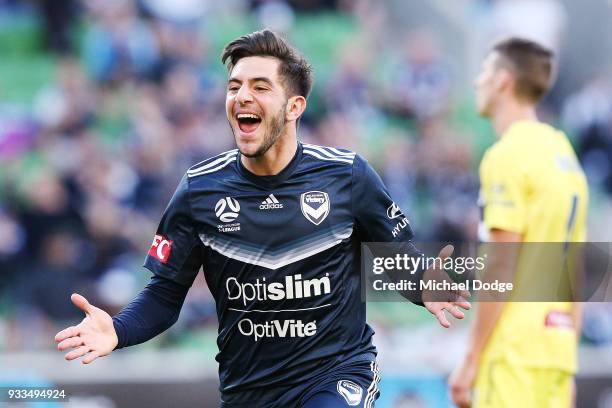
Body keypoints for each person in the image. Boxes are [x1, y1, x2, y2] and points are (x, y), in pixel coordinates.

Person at [55, 29, 469, 407]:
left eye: (259, 86)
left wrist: (422, 286)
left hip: (337, 376)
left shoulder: (347, 176)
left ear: (294, 107)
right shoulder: (200, 190)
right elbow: (165, 295)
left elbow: (396, 257)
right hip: (248, 390)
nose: (242, 96)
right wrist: (119, 330)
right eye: (234, 87)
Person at [449, 38, 588, 408]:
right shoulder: (564, 155)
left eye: (484, 73)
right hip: (556, 347)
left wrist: (471, 358)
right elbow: (575, 266)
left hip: (514, 349)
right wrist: (569, 361)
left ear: (503, 81)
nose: (477, 82)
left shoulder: (507, 155)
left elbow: (501, 261)